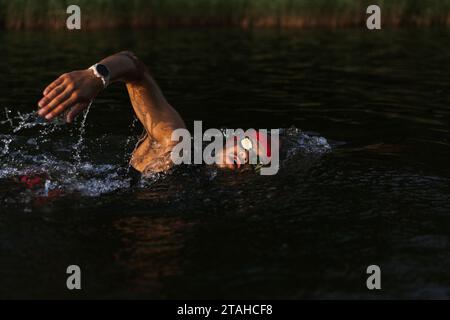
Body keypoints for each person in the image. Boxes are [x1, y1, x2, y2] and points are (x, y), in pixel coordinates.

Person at [37, 51, 272, 175]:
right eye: (249, 146)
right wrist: (97, 75)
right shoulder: (176, 143)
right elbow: (134, 66)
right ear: (230, 140)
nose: (245, 158)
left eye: (257, 161)